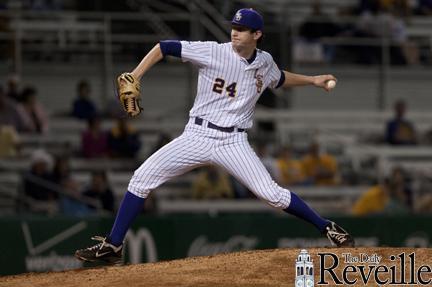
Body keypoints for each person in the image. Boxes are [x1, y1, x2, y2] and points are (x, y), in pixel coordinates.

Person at [75, 8, 354, 265]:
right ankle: (113, 245)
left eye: (242, 29)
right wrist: (136, 74)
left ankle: (326, 226)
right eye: (233, 26)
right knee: (141, 178)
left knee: (274, 196)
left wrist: (313, 80)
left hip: (233, 141)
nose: (235, 31)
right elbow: (163, 47)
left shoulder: (264, 61)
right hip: (197, 135)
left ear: (256, 35)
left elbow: (278, 78)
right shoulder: (213, 51)